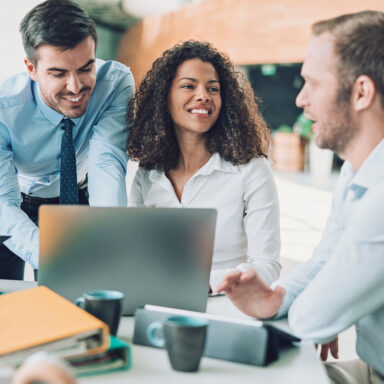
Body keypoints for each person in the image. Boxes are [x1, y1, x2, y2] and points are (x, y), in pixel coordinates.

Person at [218, 10, 384, 384]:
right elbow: (324, 262)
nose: (300, 99)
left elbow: (315, 317)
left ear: (361, 92)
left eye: (312, 83)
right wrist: (277, 297)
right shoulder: (357, 171)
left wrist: (295, 305)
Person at [127, 40, 281, 293]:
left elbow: (267, 265)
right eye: (188, 86)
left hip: (225, 304)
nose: (203, 96)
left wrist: (202, 285)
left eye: (213, 89)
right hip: (157, 298)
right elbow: (134, 251)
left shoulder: (251, 169)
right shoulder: (148, 173)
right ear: (164, 97)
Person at [0, 0, 134, 280]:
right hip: (15, 205)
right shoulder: (4, 108)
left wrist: (113, 239)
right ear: (31, 68)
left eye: (86, 68)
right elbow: (3, 201)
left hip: (75, 197)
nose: (76, 87)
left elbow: (106, 161)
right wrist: (52, 255)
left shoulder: (115, 84)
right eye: (58, 73)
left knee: (77, 292)